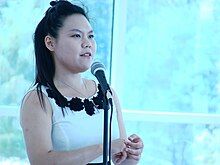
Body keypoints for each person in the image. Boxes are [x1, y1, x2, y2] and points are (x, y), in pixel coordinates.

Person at [20, 0, 144, 164]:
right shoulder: (38, 99)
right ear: (50, 43)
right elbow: (41, 161)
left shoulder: (107, 93)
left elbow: (119, 159)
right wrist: (103, 148)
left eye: (91, 36)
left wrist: (132, 155)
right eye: (76, 35)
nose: (87, 43)